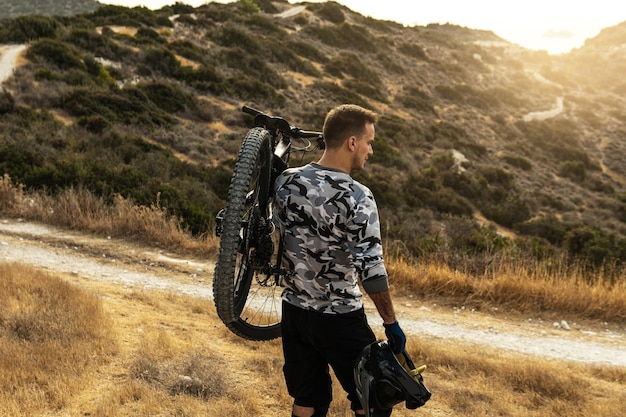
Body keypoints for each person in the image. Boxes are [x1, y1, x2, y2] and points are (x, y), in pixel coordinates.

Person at [274, 104, 407, 417]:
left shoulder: (285, 182)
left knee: (307, 398)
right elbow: (371, 271)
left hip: (295, 311)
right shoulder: (357, 195)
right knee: (374, 400)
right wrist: (391, 323)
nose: (370, 150)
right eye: (369, 142)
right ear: (351, 142)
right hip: (339, 315)